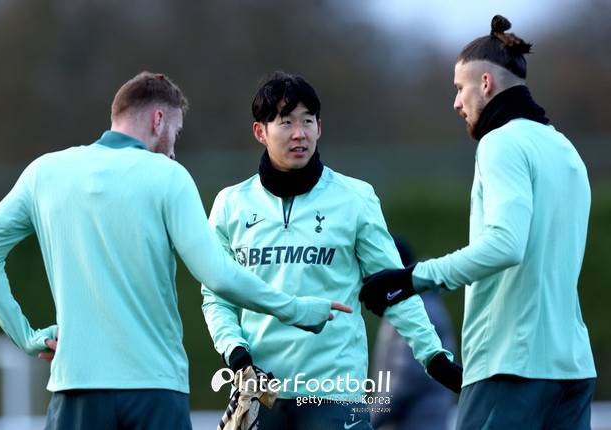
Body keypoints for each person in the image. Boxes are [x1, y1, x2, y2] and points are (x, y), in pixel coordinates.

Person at [0, 71, 351, 430]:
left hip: (75, 389)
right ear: (158, 121)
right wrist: (297, 309)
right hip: (156, 391)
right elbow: (218, 275)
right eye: (176, 134)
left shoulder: (44, 173)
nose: (173, 150)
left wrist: (27, 336)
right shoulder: (169, 176)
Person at [360, 15, 596, 430]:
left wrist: (414, 277)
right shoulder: (565, 149)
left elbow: (506, 244)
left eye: (459, 88)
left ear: (485, 83)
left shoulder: (499, 142)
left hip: (511, 366)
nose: (456, 102)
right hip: (574, 369)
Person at [201, 72, 462, 430]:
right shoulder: (230, 204)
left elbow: (394, 289)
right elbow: (216, 296)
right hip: (259, 393)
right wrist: (235, 352)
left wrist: (434, 357)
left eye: (308, 121)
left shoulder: (355, 198)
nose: (299, 133)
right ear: (260, 132)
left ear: (319, 128)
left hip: (336, 394)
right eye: (286, 122)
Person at [370, 238, 456, 430]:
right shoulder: (409, 304)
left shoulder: (416, 311)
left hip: (421, 422)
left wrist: (367, 419)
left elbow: (404, 380)